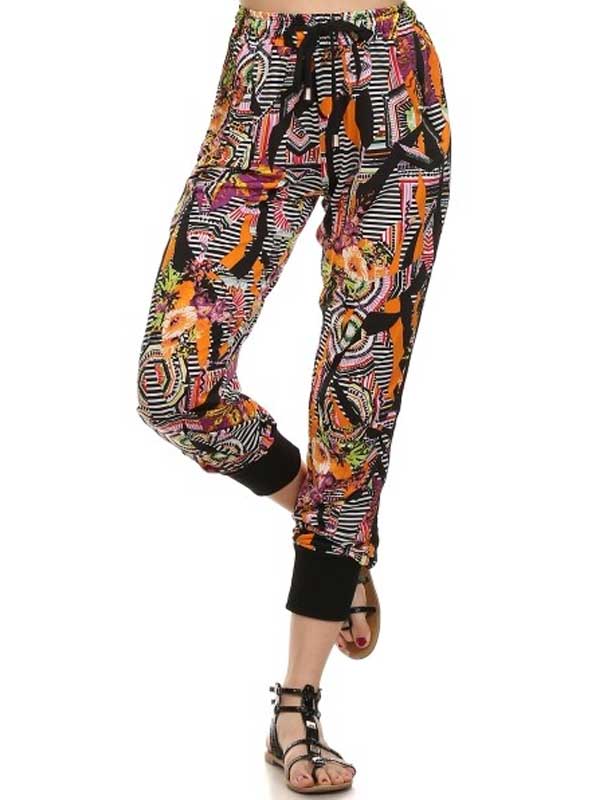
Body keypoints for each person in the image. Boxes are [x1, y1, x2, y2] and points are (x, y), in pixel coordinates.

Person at [136, 0, 451, 791]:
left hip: (390, 85)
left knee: (357, 405)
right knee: (174, 384)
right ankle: (337, 532)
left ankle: (296, 707)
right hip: (266, 78)